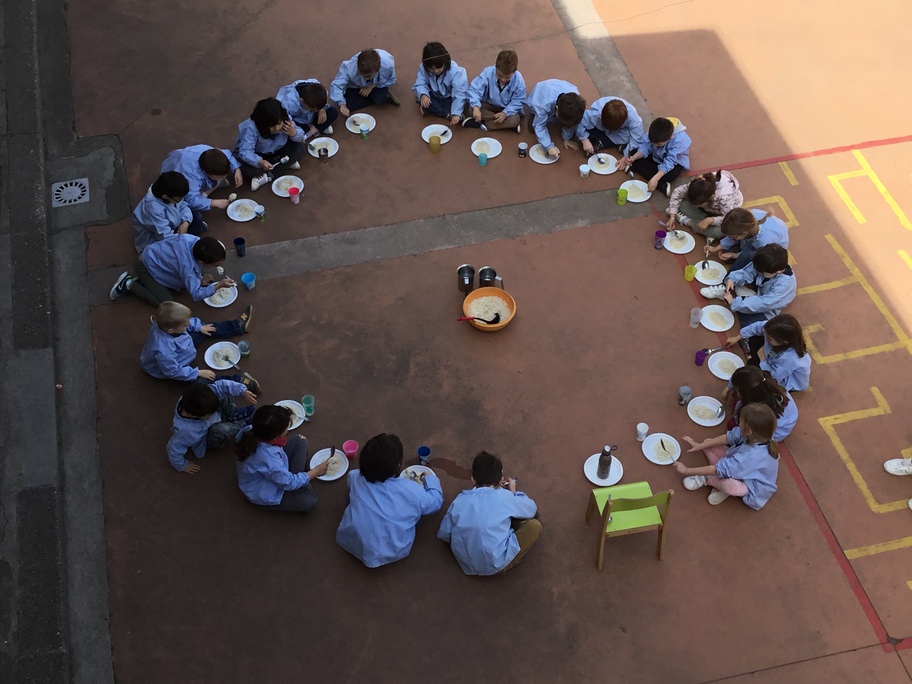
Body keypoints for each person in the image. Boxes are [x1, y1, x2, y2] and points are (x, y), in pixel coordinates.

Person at [336, 433, 443, 567]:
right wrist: (430, 479)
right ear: (397, 466)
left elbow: (351, 484)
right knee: (419, 509)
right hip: (392, 551)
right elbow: (436, 502)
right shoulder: (411, 490)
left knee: (353, 495)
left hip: (351, 541)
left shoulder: (354, 476)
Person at [438, 451, 541, 575]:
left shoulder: (459, 501)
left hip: (464, 562)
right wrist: (514, 492)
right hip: (496, 563)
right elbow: (531, 509)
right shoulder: (505, 496)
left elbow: (444, 533)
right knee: (534, 525)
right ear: (501, 480)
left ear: (473, 479)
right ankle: (509, 561)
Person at [675, 403, 780, 509]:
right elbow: (729, 437)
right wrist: (700, 445)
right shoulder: (758, 434)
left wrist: (686, 470)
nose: (738, 422)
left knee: (730, 487)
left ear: (749, 431)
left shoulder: (752, 456)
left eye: (741, 421)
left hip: (750, 484)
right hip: (739, 466)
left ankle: (707, 479)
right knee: (708, 443)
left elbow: (716, 470)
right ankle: (719, 484)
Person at [702, 245, 797, 357]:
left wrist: (735, 303)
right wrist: (732, 279)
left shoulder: (785, 286)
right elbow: (749, 271)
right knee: (747, 255)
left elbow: (763, 304)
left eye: (762, 272)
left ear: (779, 271)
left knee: (753, 326)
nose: (759, 272)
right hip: (761, 292)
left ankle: (736, 296)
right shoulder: (766, 265)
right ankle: (728, 288)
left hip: (768, 308)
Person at [236, 405, 330, 513]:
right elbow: (288, 482)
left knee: (300, 441)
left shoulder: (251, 430)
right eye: (286, 427)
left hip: (274, 472)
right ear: (275, 436)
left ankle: (299, 478)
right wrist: (315, 472)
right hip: (265, 492)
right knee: (310, 501)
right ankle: (298, 480)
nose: (287, 430)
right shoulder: (269, 460)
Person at [139, 301, 255, 383]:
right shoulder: (163, 350)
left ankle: (237, 326)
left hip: (182, 346)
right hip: (174, 366)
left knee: (204, 327)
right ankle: (239, 382)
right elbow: (173, 371)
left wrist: (199, 327)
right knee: (202, 381)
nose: (188, 324)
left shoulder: (167, 324)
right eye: (185, 325)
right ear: (171, 330)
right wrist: (198, 373)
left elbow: (188, 323)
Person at [110, 234, 235, 306]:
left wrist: (199, 281)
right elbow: (196, 295)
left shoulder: (193, 240)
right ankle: (129, 285)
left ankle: (145, 282)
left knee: (185, 283)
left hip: (152, 255)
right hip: (145, 266)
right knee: (167, 304)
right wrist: (218, 285)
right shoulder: (187, 267)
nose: (216, 267)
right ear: (201, 262)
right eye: (214, 265)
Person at [167, 380, 257, 474]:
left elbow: (221, 386)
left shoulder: (199, 398)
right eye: (210, 414)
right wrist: (182, 465)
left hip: (210, 419)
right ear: (195, 416)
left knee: (222, 395)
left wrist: (242, 391)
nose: (213, 413)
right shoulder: (185, 432)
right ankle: (241, 425)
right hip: (207, 438)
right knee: (220, 430)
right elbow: (173, 449)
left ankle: (233, 414)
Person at [160, 145, 243, 231]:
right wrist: (213, 202)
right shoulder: (190, 176)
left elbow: (228, 155)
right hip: (175, 174)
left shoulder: (212, 155)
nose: (223, 177)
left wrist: (237, 170)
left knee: (217, 180)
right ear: (205, 172)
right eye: (219, 176)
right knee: (187, 201)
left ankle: (210, 187)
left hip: (186, 158)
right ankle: (204, 194)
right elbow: (191, 199)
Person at [725, 313, 811, 391]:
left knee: (757, 383)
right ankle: (756, 362)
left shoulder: (790, 359)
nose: (766, 338)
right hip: (772, 362)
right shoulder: (772, 328)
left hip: (784, 379)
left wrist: (762, 360)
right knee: (755, 338)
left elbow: (775, 376)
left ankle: (757, 364)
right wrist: (737, 337)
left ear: (784, 342)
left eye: (769, 339)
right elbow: (757, 327)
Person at [234, 97, 305, 192]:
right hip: (260, 155)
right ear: (263, 124)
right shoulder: (251, 127)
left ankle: (268, 175)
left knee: (300, 147)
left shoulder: (285, 120)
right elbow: (245, 151)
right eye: (272, 126)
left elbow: (301, 135)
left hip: (279, 149)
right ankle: (285, 163)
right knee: (245, 168)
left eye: (279, 123)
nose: (277, 128)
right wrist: (259, 161)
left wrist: (294, 133)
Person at [722, 365, 798, 441]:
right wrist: (728, 388)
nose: (737, 392)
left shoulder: (761, 412)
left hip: (771, 432)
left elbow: (750, 431)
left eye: (738, 391)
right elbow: (740, 378)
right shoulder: (761, 380)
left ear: (748, 395)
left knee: (731, 425)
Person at [707, 208, 789, 273]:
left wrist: (734, 255)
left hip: (769, 248)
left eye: (732, 237)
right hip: (759, 236)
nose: (730, 238)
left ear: (744, 233)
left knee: (748, 258)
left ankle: (730, 279)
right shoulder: (749, 217)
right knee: (727, 253)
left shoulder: (763, 242)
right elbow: (733, 237)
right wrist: (716, 248)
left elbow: (757, 255)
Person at [666, 170, 743, 240]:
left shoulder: (724, 198)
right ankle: (705, 228)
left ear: (711, 197)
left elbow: (728, 218)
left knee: (720, 232)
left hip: (722, 212)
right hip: (708, 209)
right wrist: (672, 217)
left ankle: (687, 221)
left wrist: (709, 220)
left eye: (699, 204)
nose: (696, 206)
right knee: (681, 203)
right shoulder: (698, 184)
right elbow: (677, 193)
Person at [626, 116, 691, 196]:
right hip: (656, 156)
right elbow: (645, 146)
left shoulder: (680, 141)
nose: (654, 145)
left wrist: (656, 178)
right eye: (653, 143)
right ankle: (659, 182)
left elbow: (670, 161)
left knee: (669, 176)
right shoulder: (656, 130)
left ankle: (656, 180)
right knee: (633, 153)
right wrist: (634, 157)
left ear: (670, 137)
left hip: (674, 162)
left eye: (659, 144)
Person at [464, 50, 526, 133]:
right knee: (471, 109)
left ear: (514, 72)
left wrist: (505, 113)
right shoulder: (487, 72)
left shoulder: (519, 80)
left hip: (506, 108)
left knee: (515, 120)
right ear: (496, 67)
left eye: (507, 77)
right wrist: (476, 107)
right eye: (499, 75)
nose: (503, 79)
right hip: (488, 104)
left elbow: (519, 100)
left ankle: (483, 124)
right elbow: (474, 89)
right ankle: (505, 125)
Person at [131, 171, 193, 253]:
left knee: (197, 218)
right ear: (165, 196)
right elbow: (165, 235)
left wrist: (186, 222)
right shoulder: (152, 209)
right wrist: (183, 240)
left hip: (172, 225)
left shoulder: (170, 191)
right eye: (178, 199)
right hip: (157, 236)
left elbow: (183, 206)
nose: (181, 200)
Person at [525, 80, 586, 159]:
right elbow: (539, 126)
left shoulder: (577, 101)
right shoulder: (543, 105)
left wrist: (566, 138)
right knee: (532, 127)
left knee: (572, 122)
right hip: (539, 98)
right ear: (556, 108)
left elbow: (574, 120)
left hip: (557, 90)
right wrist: (549, 146)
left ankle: (561, 121)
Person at [412, 41, 468, 126]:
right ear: (426, 65)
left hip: (449, 96)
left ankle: (441, 111)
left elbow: (460, 93)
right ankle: (446, 114)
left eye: (439, 68)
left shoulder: (456, 72)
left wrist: (456, 113)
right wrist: (423, 95)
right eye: (432, 69)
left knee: (462, 103)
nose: (436, 71)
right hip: (433, 94)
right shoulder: (423, 68)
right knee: (421, 97)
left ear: (445, 62)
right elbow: (420, 83)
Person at [330, 48, 400, 116]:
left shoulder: (387, 66)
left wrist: (372, 86)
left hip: (376, 84)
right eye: (362, 75)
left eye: (368, 76)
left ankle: (385, 97)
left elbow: (391, 80)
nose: (365, 78)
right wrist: (342, 104)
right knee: (348, 105)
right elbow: (336, 85)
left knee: (381, 99)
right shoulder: (349, 67)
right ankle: (376, 97)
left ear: (379, 67)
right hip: (356, 85)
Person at [577, 97, 646, 159]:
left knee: (629, 136)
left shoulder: (634, 120)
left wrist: (626, 156)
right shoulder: (596, 113)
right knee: (581, 128)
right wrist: (584, 140)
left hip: (619, 131)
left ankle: (600, 142)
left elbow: (637, 138)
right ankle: (602, 141)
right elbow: (580, 120)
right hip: (599, 127)